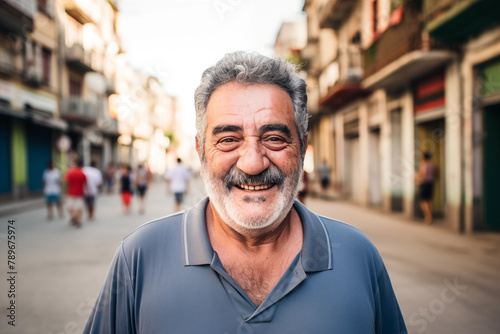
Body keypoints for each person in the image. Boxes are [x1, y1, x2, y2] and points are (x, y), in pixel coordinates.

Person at [83, 52, 407, 333]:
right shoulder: (139, 257)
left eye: (274, 138)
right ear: (201, 151)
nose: (252, 163)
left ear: (303, 148)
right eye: (228, 139)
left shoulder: (358, 256)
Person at [415, 151, 438, 225]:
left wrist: (416, 178)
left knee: (424, 202)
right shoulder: (433, 165)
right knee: (429, 200)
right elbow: (436, 174)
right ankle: (430, 216)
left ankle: (428, 217)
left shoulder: (424, 165)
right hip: (431, 184)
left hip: (424, 184)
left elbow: (423, 175)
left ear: (424, 157)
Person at [65, 158, 87, 228]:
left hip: (70, 193)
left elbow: (67, 183)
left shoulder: (70, 172)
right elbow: (85, 185)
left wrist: (66, 192)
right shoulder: (82, 173)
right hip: (79, 194)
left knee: (70, 207)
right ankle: (78, 220)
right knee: (79, 208)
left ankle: (74, 218)